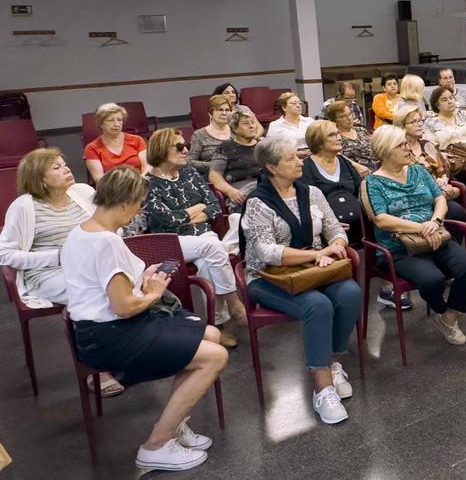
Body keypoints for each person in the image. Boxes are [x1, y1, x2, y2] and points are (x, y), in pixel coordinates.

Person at [61, 166, 227, 472]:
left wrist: (142, 278)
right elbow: (124, 306)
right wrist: (153, 292)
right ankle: (156, 445)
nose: (139, 211)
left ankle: (173, 423)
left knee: (211, 337)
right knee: (215, 356)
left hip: (98, 330)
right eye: (139, 204)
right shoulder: (106, 242)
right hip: (113, 334)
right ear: (125, 202)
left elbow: (108, 285)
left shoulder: (82, 232)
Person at [241, 137, 363, 426]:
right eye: (291, 159)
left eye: (299, 156)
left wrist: (334, 245)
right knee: (318, 305)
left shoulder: (311, 192)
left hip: (313, 269)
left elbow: (336, 228)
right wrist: (317, 252)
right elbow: (265, 251)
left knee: (350, 294)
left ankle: (331, 361)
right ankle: (322, 388)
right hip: (269, 277)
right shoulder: (258, 201)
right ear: (271, 167)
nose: (300, 162)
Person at [0, 148, 123, 397]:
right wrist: (58, 256)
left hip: (91, 264)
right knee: (91, 293)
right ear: (40, 179)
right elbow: (1, 255)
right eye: (56, 167)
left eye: (65, 164)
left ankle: (122, 349)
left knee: (123, 284)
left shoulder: (83, 192)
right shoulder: (24, 207)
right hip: (49, 272)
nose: (67, 169)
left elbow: (110, 224)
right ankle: (96, 366)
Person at [361, 126, 466, 345]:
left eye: (407, 143)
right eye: (401, 145)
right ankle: (443, 309)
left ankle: (448, 317)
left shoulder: (418, 171)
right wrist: (420, 228)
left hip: (435, 235)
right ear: (385, 150)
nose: (408, 148)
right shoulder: (372, 183)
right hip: (400, 248)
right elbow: (381, 219)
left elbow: (440, 199)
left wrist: (434, 222)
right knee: (432, 279)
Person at [142, 128, 247, 347]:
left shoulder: (189, 172)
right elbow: (164, 221)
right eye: (179, 146)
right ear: (161, 150)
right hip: (170, 242)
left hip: (203, 237)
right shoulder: (148, 183)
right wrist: (195, 210)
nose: (186, 150)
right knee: (213, 248)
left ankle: (215, 325)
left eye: (185, 145)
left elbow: (213, 207)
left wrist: (191, 214)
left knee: (209, 257)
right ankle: (234, 304)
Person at [301, 121, 365, 244]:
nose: (339, 138)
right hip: (328, 233)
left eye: (338, 133)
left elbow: (361, 191)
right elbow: (307, 204)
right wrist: (329, 224)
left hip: (359, 227)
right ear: (318, 141)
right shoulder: (306, 168)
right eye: (332, 135)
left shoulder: (344, 162)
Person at [424, 85, 466, 176]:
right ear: (437, 105)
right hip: (452, 164)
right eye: (444, 100)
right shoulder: (430, 122)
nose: (449, 101)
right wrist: (441, 155)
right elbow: (429, 148)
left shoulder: (465, 115)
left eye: (451, 98)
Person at [207, 107, 263, 207]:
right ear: (235, 128)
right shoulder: (225, 147)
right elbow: (214, 175)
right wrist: (230, 191)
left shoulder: (264, 145)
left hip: (266, 186)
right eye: (246, 123)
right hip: (241, 190)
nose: (252, 126)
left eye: (253, 122)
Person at [84, 102, 150, 185]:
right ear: (101, 124)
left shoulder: (137, 140)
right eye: (110, 120)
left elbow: (147, 167)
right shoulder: (91, 148)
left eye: (119, 120)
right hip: (112, 190)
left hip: (139, 185)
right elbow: (99, 179)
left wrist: (137, 184)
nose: (116, 124)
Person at [324, 101, 376, 173]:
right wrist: (357, 166)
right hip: (352, 172)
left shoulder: (361, 130)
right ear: (334, 120)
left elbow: (377, 149)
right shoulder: (334, 137)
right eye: (342, 117)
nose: (349, 118)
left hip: (375, 168)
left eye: (349, 114)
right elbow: (336, 157)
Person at [188, 95, 233, 176]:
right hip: (212, 175)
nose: (224, 113)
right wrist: (215, 165)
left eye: (227, 110)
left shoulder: (236, 131)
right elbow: (190, 162)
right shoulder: (199, 135)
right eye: (220, 110)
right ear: (210, 113)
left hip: (238, 174)